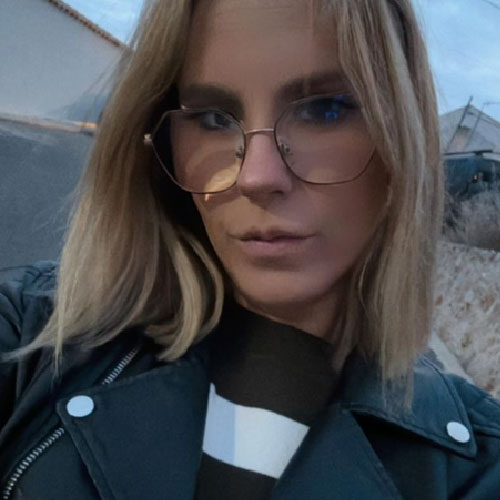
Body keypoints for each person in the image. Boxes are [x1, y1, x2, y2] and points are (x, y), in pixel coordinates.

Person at [1, 0, 499, 498]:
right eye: (212, 118)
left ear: (402, 141)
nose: (256, 176)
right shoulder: (36, 334)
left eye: (324, 109)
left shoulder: (476, 470)